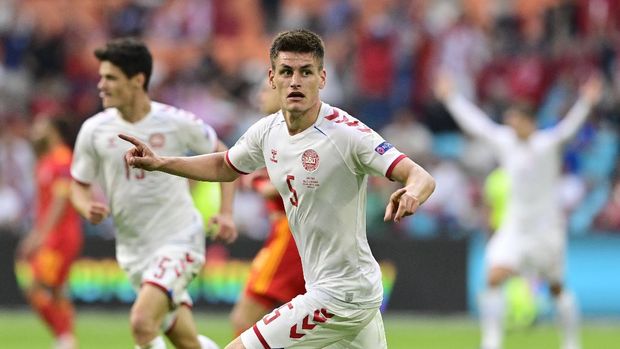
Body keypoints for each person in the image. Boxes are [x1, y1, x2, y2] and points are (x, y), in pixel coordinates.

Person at [120, 29, 436, 349]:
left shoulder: (347, 134)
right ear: (272, 78)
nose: (295, 81)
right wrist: (161, 163)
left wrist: (412, 193)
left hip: (339, 296)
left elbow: (420, 175)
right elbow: (224, 166)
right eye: (287, 71)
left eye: (306, 72)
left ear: (322, 78)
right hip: (351, 292)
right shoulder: (267, 130)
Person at [69, 37, 238, 349]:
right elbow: (77, 183)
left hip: (179, 238)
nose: (101, 85)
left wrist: (227, 212)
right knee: (186, 342)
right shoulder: (93, 130)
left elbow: (224, 157)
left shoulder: (176, 122)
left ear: (137, 80)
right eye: (101, 77)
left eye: (110, 78)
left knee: (142, 323)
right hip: (133, 251)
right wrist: (85, 206)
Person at [434, 72, 603, 349]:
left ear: (529, 122)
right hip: (515, 226)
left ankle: (571, 343)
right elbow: (478, 126)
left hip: (546, 228)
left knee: (556, 287)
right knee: (493, 276)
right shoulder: (506, 142)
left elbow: (571, 127)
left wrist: (586, 101)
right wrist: (451, 98)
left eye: (516, 120)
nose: (510, 125)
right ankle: (492, 341)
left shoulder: (547, 144)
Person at [229, 81, 306, 337]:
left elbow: (295, 179)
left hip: (290, 235)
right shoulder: (269, 132)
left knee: (245, 318)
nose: (259, 94)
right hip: (288, 233)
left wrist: (258, 179)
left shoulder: (297, 132)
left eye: (265, 89)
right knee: (294, 328)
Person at [17, 116, 82, 349]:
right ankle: (65, 338)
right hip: (51, 234)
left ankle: (64, 336)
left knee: (34, 285)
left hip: (60, 235)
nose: (35, 129)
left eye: (40, 125)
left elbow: (60, 200)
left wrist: (40, 235)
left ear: (53, 130)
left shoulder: (63, 158)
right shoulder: (45, 160)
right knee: (56, 290)